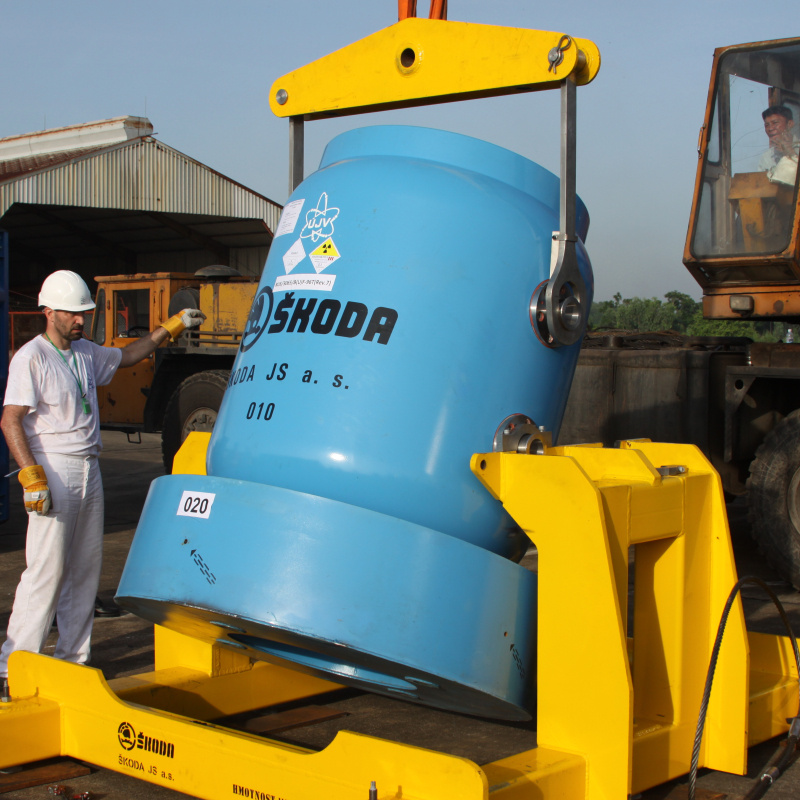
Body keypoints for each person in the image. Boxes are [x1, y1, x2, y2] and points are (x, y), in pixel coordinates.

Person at [0, 270, 205, 699]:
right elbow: (11, 419)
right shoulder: (31, 358)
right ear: (49, 312)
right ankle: (13, 666)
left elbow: (129, 357)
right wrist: (30, 474)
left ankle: (73, 660)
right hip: (53, 468)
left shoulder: (85, 353)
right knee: (46, 571)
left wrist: (170, 328)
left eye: (84, 314)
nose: (81, 321)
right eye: (73, 314)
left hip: (89, 467)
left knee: (84, 570)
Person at [758, 105, 800, 186]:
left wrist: (791, 153)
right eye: (767, 125)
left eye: (775, 123)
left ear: (790, 124)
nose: (770, 128)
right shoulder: (767, 156)